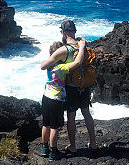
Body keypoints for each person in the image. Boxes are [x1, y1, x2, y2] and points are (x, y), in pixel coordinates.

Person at [41, 20, 97, 153]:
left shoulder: (64, 50)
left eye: (61, 31)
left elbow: (44, 66)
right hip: (84, 85)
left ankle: (72, 146)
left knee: (71, 116)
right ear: (74, 31)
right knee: (86, 113)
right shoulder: (82, 45)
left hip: (70, 88)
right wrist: (83, 45)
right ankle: (93, 143)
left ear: (64, 32)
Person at [40, 37, 86, 160]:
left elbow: (43, 64)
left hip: (46, 96)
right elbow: (77, 63)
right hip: (56, 99)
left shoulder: (50, 66)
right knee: (55, 127)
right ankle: (53, 152)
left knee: (46, 124)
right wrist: (81, 47)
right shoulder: (61, 67)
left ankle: (44, 148)